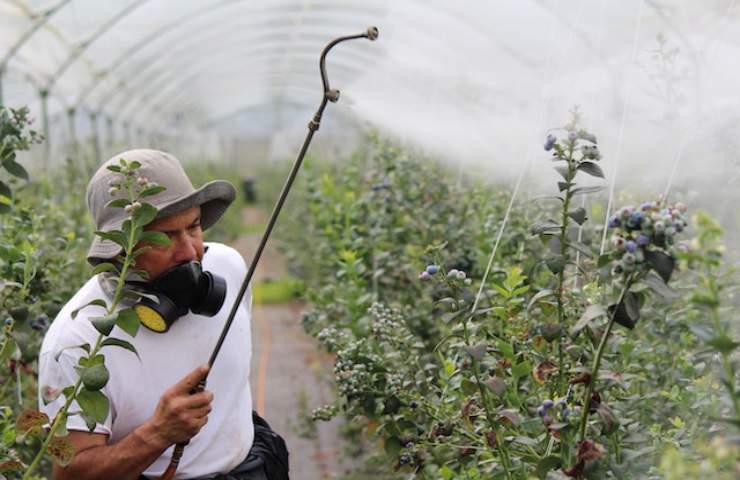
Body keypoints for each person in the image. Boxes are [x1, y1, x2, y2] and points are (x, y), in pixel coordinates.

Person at [37, 149, 288, 479]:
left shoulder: (228, 268)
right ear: (120, 248)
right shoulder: (78, 343)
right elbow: (71, 474)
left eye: (194, 226)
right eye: (165, 237)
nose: (190, 251)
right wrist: (157, 433)